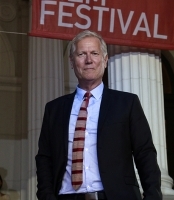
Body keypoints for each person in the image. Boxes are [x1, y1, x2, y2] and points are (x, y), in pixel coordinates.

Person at [35, 30, 162, 200]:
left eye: (94, 53)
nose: (89, 60)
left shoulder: (127, 103)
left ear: (105, 59)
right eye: (81, 54)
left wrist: (153, 196)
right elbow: (44, 158)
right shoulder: (54, 109)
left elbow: (145, 153)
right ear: (72, 61)